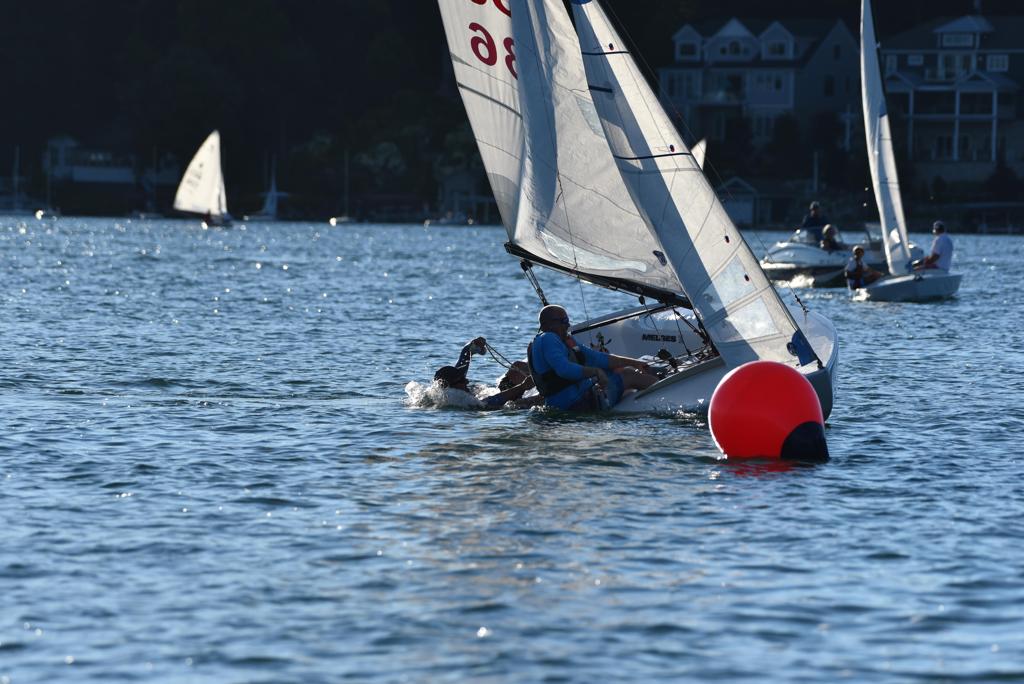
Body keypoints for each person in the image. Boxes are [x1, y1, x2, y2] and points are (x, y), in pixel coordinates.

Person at [528, 305, 659, 411]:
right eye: (563, 321)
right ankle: (663, 391)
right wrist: (595, 371)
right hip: (576, 403)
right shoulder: (548, 338)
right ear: (546, 325)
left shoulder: (565, 340)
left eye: (567, 320)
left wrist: (636, 363)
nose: (568, 325)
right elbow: (564, 369)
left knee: (621, 370)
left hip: (571, 402)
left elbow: (598, 358)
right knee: (629, 375)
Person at [433, 337, 539, 409]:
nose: (467, 381)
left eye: (463, 377)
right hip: (505, 402)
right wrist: (523, 386)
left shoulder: (453, 383)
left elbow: (465, 357)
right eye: (462, 380)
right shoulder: (457, 399)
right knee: (531, 401)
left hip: (497, 391)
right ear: (452, 385)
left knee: (518, 367)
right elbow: (489, 402)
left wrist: (472, 345)